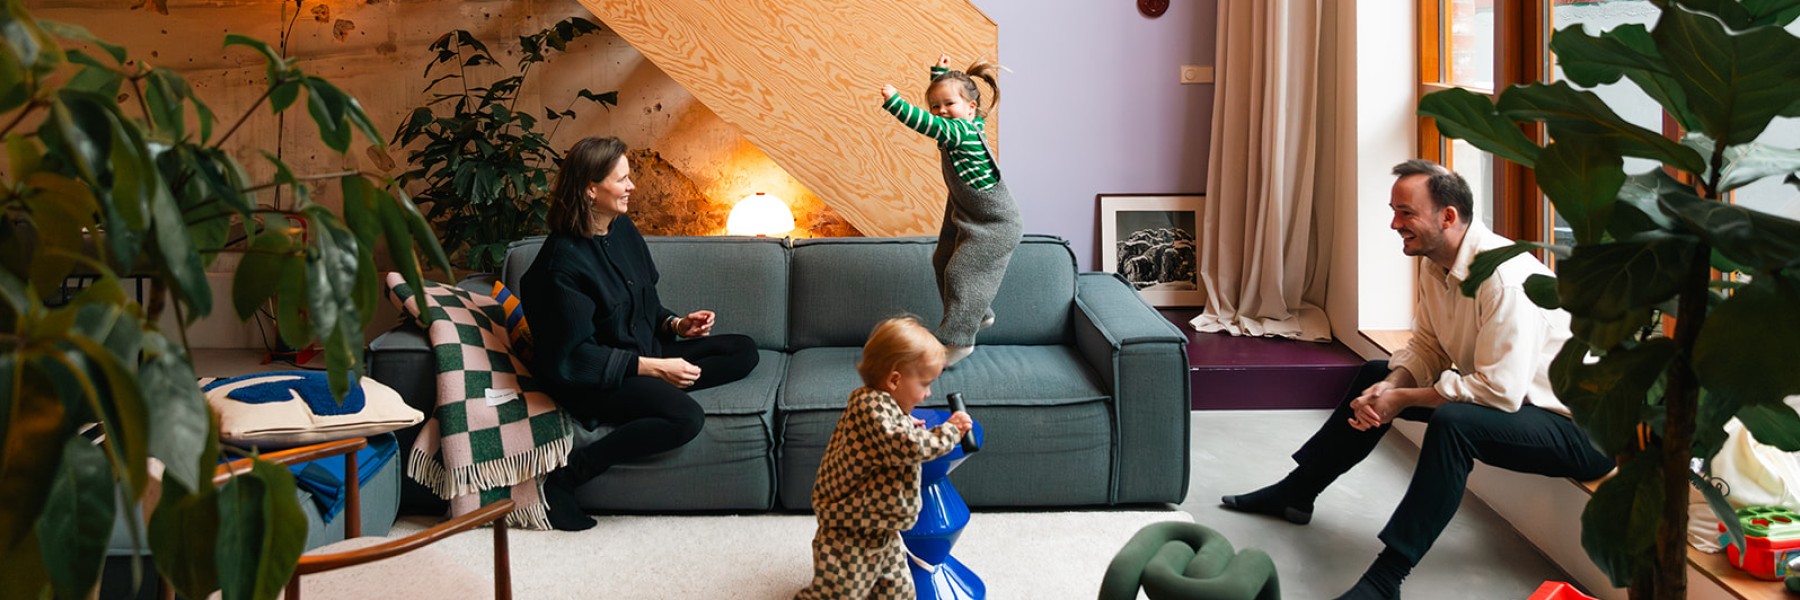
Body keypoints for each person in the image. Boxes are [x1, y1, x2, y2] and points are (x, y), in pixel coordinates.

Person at [1217, 160, 1615, 600]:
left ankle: (1387, 578)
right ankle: (1297, 492)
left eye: (1406, 212)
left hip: (1579, 430)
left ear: (1448, 217)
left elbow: (1498, 392)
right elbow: (1428, 346)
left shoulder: (1503, 280)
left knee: (1455, 425)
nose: (1394, 223)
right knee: (1376, 373)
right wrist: (1394, 386)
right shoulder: (1435, 264)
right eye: (1394, 211)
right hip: (1520, 404)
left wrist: (1403, 399)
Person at [521, 136, 760, 531]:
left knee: (744, 350)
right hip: (599, 379)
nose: (632, 186)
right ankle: (563, 481)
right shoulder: (559, 265)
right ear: (590, 189)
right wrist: (654, 369)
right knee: (686, 418)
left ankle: (658, 393)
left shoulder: (621, 228)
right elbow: (575, 356)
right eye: (623, 179)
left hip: (644, 350)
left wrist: (677, 325)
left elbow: (644, 305)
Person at [796, 316, 973, 599]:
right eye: (925, 384)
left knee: (898, 590)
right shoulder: (869, 408)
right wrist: (950, 431)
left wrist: (906, 421)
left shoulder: (883, 407)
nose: (928, 394)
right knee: (839, 594)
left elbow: (892, 435)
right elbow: (908, 447)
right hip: (848, 533)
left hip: (882, 531)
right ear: (894, 380)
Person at [878, 54, 1021, 367]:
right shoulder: (969, 123)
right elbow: (942, 104)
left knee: (960, 272)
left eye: (949, 105)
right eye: (936, 106)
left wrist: (895, 102)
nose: (941, 112)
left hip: (996, 223)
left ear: (971, 108)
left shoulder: (961, 132)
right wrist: (939, 74)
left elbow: (925, 123)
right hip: (970, 214)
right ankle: (977, 315)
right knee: (942, 259)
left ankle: (960, 341)